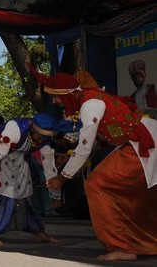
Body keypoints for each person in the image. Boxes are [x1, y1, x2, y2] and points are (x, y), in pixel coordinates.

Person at [30, 66, 157, 261]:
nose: (55, 102)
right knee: (138, 193)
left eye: (55, 97)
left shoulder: (90, 103)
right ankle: (141, 242)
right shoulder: (90, 99)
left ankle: (122, 246)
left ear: (66, 94)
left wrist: (63, 177)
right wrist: (72, 160)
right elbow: (94, 142)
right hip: (140, 143)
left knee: (97, 184)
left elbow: (85, 145)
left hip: (142, 145)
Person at [0, 114, 61, 247]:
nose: (40, 142)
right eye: (39, 138)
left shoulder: (45, 141)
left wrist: (55, 194)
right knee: (1, 197)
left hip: (20, 161)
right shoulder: (14, 130)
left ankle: (38, 232)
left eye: (44, 139)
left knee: (25, 195)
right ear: (33, 130)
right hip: (0, 160)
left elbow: (49, 167)